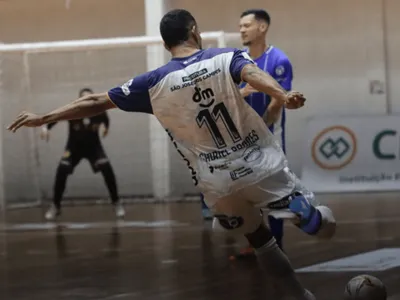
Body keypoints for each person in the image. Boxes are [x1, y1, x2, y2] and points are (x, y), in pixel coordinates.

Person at [8, 9, 336, 299]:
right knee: (326, 227)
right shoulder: (225, 57)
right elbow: (252, 75)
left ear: (166, 46)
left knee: (259, 237)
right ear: (195, 30)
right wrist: (283, 94)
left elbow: (94, 100)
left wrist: (45, 117)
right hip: (257, 164)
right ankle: (306, 215)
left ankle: (299, 296)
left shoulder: (152, 83)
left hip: (217, 183)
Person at [231, 9, 293, 259]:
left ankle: (276, 246)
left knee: (273, 194)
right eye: (240, 26)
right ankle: (257, 244)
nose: (242, 30)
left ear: (263, 27)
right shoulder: (237, 61)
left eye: (246, 25)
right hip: (242, 139)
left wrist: (261, 130)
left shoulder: (279, 60)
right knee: (247, 195)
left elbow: (279, 100)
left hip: (269, 139)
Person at [40, 88, 125, 220]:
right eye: (84, 99)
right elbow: (56, 117)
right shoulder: (72, 111)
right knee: (62, 170)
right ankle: (55, 206)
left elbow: (106, 121)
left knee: (107, 168)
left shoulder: (100, 112)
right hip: (74, 148)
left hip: (94, 148)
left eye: (90, 99)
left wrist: (106, 129)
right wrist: (45, 127)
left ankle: (116, 203)